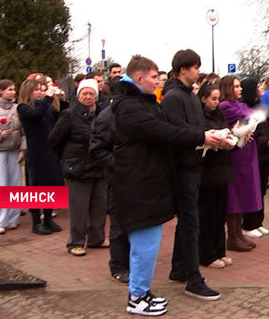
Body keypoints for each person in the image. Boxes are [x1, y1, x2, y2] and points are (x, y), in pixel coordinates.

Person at [112, 55, 222, 315]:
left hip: (147, 183)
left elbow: (166, 128)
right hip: (138, 184)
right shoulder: (130, 107)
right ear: (139, 78)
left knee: (148, 244)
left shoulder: (141, 103)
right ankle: (137, 297)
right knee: (144, 246)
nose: (158, 81)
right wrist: (202, 136)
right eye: (153, 78)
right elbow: (163, 130)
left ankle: (143, 292)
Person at [161, 49, 221, 299]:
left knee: (188, 220)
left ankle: (179, 268)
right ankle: (194, 279)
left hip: (195, 163)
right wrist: (203, 137)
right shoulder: (174, 97)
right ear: (183, 69)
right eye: (195, 67)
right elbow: (176, 131)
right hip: (182, 167)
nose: (199, 71)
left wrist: (215, 137)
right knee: (190, 221)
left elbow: (198, 127)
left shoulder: (190, 95)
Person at [48, 79, 107, 256]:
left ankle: (97, 238)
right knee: (79, 208)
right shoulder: (69, 115)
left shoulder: (102, 114)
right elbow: (54, 140)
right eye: (84, 93)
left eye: (91, 93)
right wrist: (68, 158)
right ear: (78, 95)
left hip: (99, 166)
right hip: (78, 168)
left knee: (99, 205)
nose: (88, 97)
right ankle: (76, 241)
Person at [89, 83, 130, 283]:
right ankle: (118, 265)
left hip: (138, 179)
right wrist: (118, 165)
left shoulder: (136, 113)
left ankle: (130, 262)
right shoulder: (107, 116)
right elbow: (97, 149)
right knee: (119, 224)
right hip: (118, 178)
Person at [219, 75, 264, 251]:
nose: (240, 89)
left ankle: (238, 233)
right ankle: (232, 235)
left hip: (247, 152)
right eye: (236, 86)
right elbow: (250, 119)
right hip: (236, 156)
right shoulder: (226, 106)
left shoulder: (241, 104)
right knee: (235, 195)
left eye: (240, 86)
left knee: (244, 193)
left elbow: (255, 118)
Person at [17, 79, 63, 235]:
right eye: (37, 90)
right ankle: (36, 221)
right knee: (36, 185)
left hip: (50, 150)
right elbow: (36, 115)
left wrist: (59, 99)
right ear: (28, 92)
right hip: (36, 151)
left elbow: (58, 116)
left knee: (51, 183)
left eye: (43, 89)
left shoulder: (46, 106)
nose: (41, 92)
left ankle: (49, 217)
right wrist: (47, 98)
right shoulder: (23, 108)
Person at [197, 82, 234, 269]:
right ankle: (207, 253)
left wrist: (230, 139)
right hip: (207, 170)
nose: (216, 102)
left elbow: (227, 130)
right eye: (213, 98)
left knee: (220, 214)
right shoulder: (199, 116)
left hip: (222, 168)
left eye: (218, 98)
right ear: (203, 98)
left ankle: (220, 250)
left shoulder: (219, 114)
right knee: (207, 214)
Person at [0, 80, 25, 235]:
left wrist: (23, 149)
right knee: (0, 185)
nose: (13, 92)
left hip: (14, 150)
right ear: (0, 91)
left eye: (14, 89)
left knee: (14, 183)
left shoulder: (17, 108)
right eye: (9, 89)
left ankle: (12, 218)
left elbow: (23, 132)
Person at [240, 78, 269, 239]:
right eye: (257, 86)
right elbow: (252, 133)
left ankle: (258, 222)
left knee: (261, 189)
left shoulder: (261, 106)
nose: (261, 88)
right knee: (251, 189)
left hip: (264, 154)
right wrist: (266, 141)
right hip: (254, 153)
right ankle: (248, 224)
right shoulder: (247, 109)